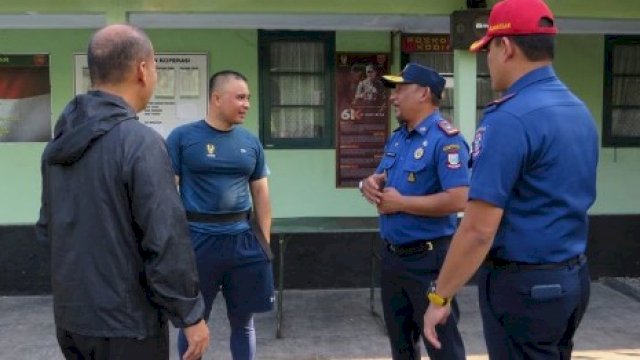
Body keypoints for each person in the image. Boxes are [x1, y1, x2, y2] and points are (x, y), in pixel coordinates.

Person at [423, 0, 599, 359]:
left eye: (488, 49)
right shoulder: (578, 111)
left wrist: (440, 297)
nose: (487, 60)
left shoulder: (509, 118)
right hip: (572, 280)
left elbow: (478, 229)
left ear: (506, 47)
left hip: (525, 288)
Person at [35, 24, 209, 360]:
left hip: (72, 320)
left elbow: (47, 231)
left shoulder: (56, 146)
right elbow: (166, 238)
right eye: (156, 65)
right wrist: (190, 314)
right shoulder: (140, 144)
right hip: (129, 327)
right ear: (142, 70)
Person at [360, 62, 470, 360]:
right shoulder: (398, 137)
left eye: (400, 89)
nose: (393, 97)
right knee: (401, 346)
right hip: (393, 258)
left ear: (423, 93)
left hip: (430, 261)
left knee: (441, 345)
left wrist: (403, 204)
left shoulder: (445, 140)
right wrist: (368, 183)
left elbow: (460, 198)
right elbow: (381, 177)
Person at [166, 70, 274, 360]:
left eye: (248, 98)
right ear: (216, 98)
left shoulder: (251, 143)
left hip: (242, 241)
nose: (247, 104)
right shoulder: (182, 138)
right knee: (193, 323)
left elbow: (261, 195)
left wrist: (263, 243)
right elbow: (166, 194)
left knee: (244, 322)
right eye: (240, 97)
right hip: (198, 243)